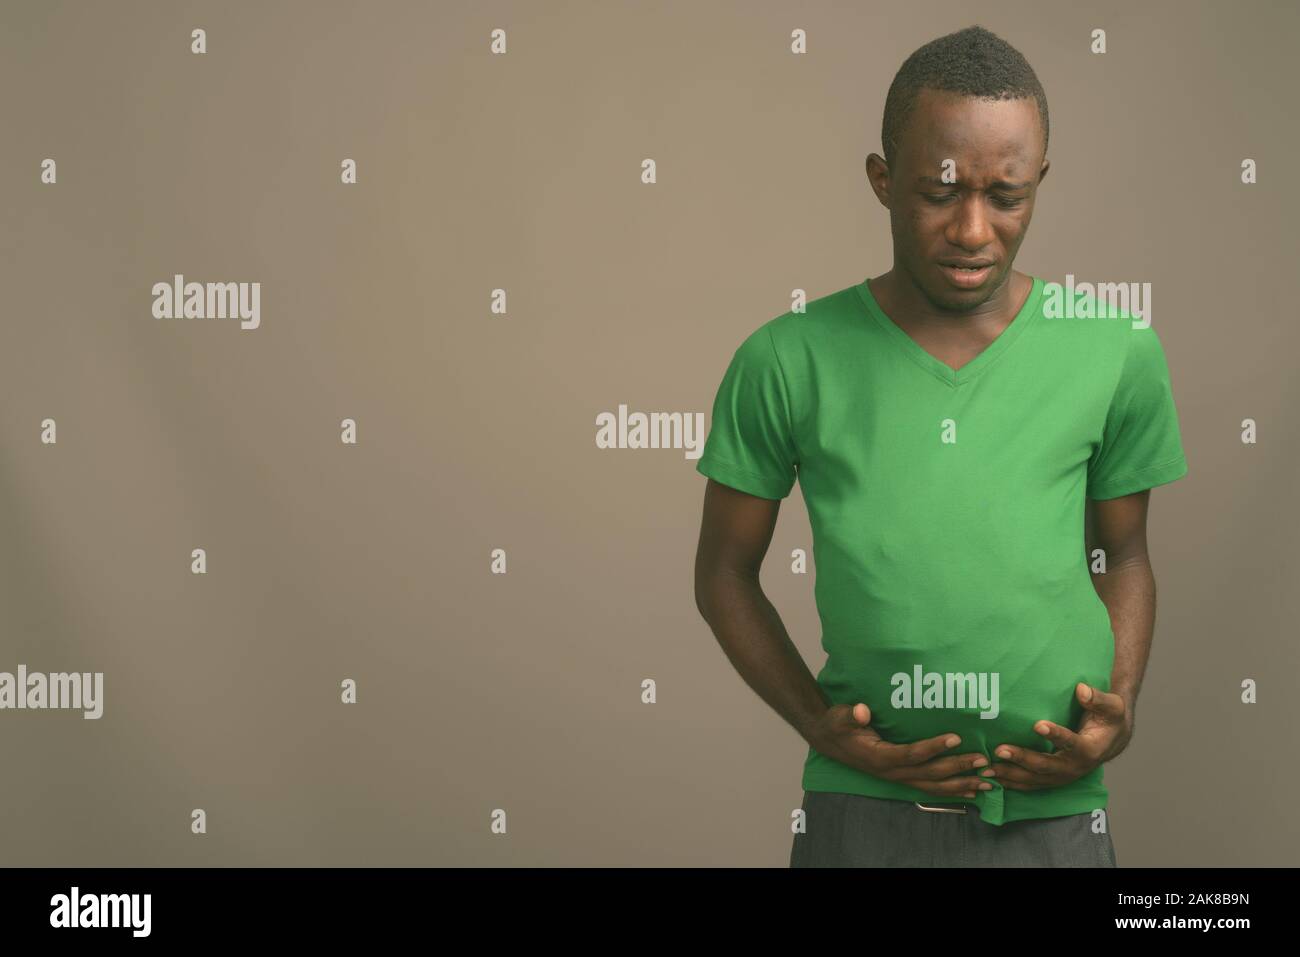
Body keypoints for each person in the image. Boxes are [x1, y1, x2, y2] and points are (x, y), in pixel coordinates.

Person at [692, 25, 1188, 867]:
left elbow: (1126, 554)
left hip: (1054, 815)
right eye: (939, 192)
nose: (972, 229)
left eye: (1007, 196)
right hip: (861, 816)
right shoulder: (786, 357)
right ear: (883, 182)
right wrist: (818, 722)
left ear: (1039, 184)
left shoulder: (1116, 350)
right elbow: (723, 573)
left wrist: (1121, 703)